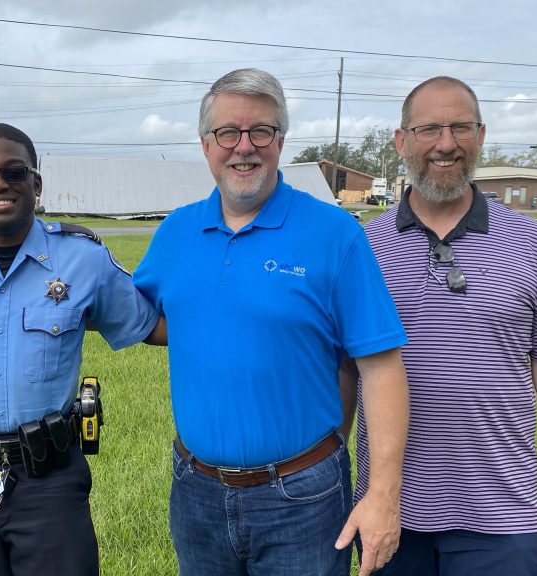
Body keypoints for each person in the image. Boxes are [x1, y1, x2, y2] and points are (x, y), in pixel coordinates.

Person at [132, 67, 410, 576]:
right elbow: (143, 317)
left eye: (260, 131)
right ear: (205, 145)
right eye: (227, 133)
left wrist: (383, 497)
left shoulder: (334, 233)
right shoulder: (176, 231)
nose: (244, 146)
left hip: (303, 496)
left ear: (280, 140)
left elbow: (382, 366)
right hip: (196, 492)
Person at [345, 76, 537, 576]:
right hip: (392, 509)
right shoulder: (360, 250)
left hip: (501, 514)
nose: (445, 143)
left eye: (460, 127)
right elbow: (344, 373)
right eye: (429, 129)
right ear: (401, 141)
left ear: (480, 135)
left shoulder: (533, 245)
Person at [0, 123, 161, 576]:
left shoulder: (82, 259)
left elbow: (146, 325)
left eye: (13, 172)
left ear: (36, 183)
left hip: (49, 478)